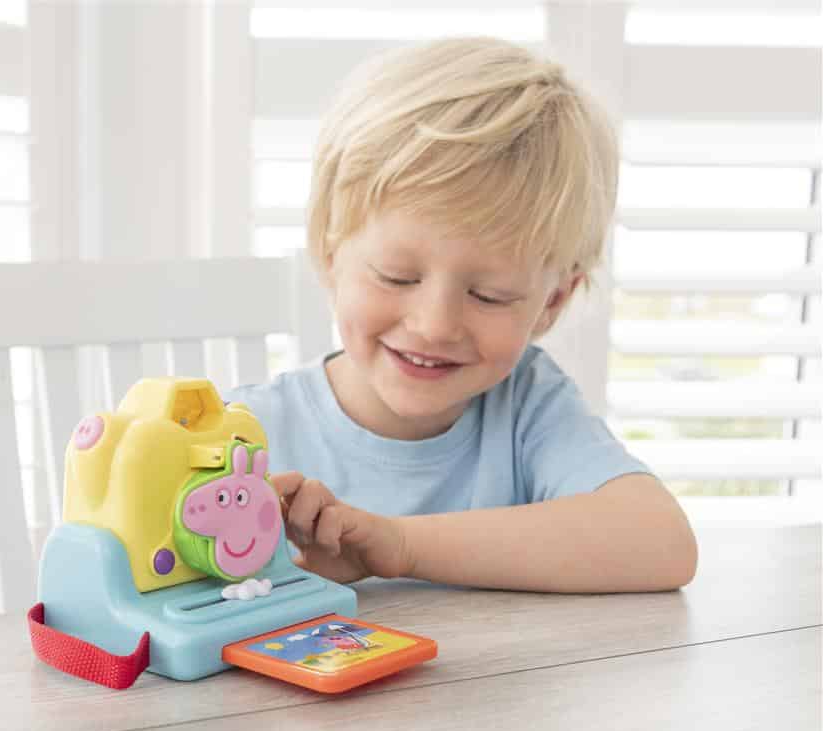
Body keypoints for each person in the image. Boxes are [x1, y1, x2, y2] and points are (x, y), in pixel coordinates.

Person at [228, 36, 698, 593]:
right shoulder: (244, 433)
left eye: (490, 295)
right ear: (329, 253)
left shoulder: (528, 407)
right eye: (397, 276)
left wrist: (400, 545)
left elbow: (662, 544)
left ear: (552, 302)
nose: (434, 325)